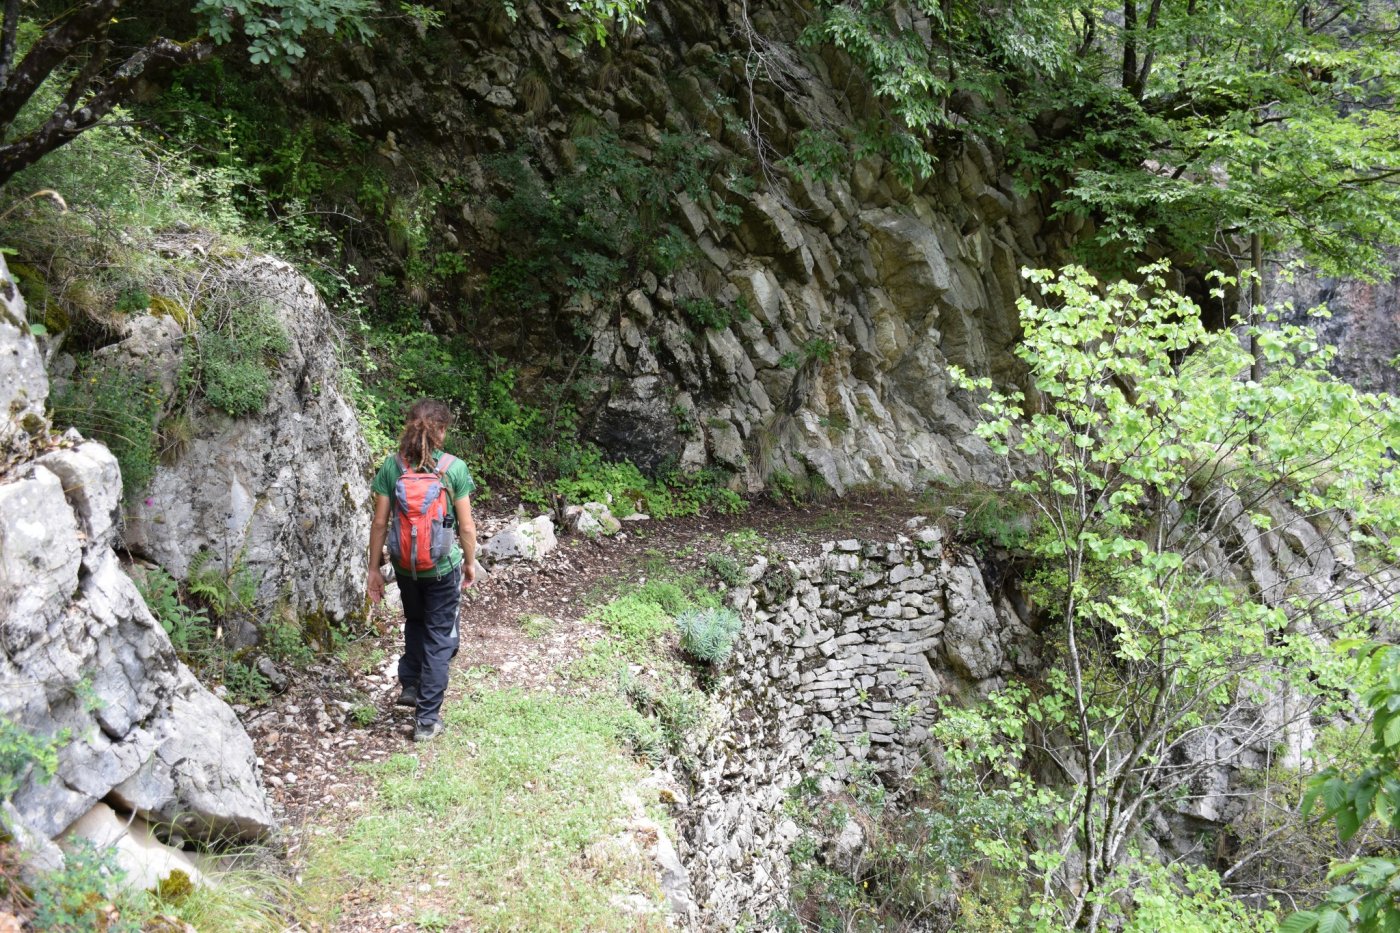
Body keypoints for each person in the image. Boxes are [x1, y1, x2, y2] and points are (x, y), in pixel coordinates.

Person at [366, 399, 477, 742]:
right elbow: (467, 526)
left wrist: (373, 570)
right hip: (442, 568)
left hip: (405, 567)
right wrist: (470, 562)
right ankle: (427, 719)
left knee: (415, 621)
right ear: (441, 431)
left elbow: (380, 523)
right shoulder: (453, 468)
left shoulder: (392, 467)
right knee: (440, 638)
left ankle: (410, 685)